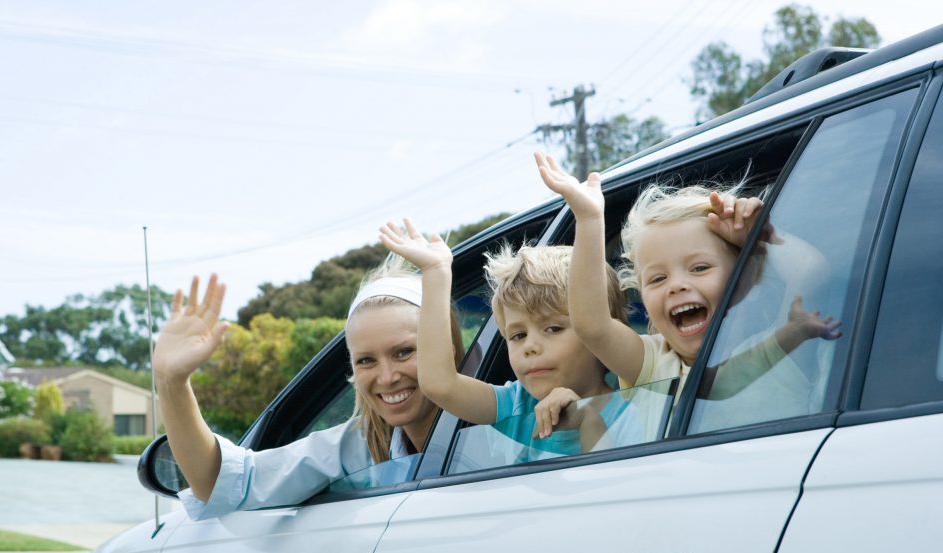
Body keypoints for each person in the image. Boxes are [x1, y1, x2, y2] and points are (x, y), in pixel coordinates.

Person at [535, 152, 841, 423]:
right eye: (657, 279)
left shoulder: (783, 345)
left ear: (748, 275)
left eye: (699, 268)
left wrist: (761, 237)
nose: (677, 286)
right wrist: (589, 219)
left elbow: (812, 274)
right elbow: (592, 326)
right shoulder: (653, 364)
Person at [152, 258, 462, 520]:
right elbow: (226, 482)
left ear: (445, 346)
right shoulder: (357, 447)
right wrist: (171, 383)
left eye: (404, 352)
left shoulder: (501, 415)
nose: (387, 376)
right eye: (366, 360)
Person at [379, 219, 640, 458]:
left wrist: (587, 420)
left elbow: (609, 490)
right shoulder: (515, 404)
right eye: (517, 335)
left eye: (553, 329)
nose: (530, 346)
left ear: (600, 331)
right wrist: (436, 273)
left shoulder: (635, 405)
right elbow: (439, 384)